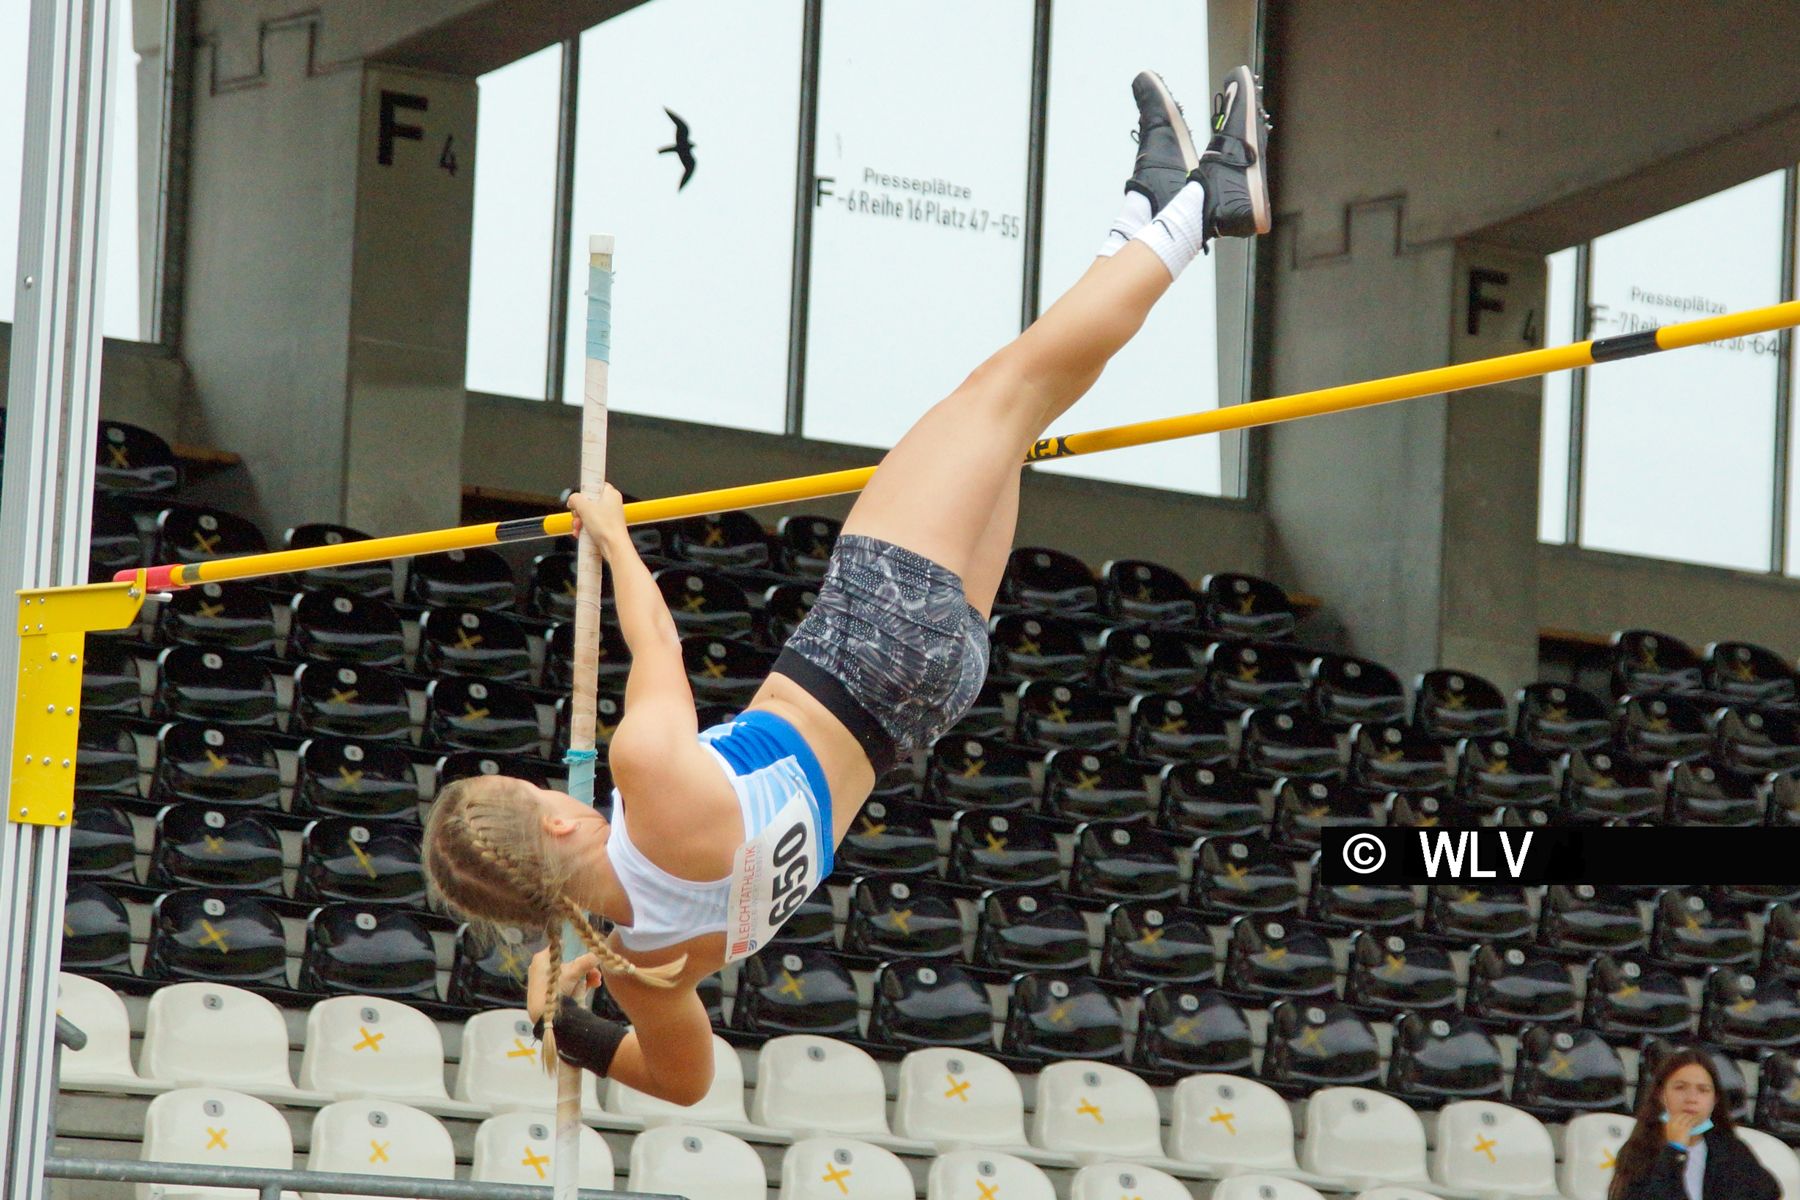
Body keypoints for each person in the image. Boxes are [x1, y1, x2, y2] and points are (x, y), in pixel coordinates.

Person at [423, 64, 1272, 1105]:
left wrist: (573, 1032)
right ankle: (1204, 205)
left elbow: (685, 1083)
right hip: (869, 637)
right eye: (536, 793)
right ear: (553, 826)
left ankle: (1146, 207)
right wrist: (613, 532)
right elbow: (657, 642)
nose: (554, 791)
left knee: (1018, 404)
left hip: (926, 696)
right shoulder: (646, 779)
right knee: (1005, 388)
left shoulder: (648, 963)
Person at [1606, 1049, 1779, 1200]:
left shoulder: (1731, 1151)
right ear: (1661, 1095)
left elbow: (1768, 1193)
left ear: (1714, 1100)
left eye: (1703, 1090)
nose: (1691, 1098)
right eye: (1680, 1087)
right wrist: (1674, 1151)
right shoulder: (1639, 1152)